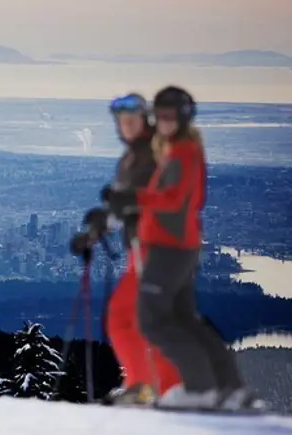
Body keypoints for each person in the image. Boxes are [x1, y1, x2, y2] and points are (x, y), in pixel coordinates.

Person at [101, 86, 259, 410]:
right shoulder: (173, 148)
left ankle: (196, 389)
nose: (165, 121)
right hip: (172, 244)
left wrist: (135, 199)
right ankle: (228, 388)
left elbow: (175, 199)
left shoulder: (181, 152)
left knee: (153, 321)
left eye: (170, 116)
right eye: (161, 116)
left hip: (166, 246)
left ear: (184, 117)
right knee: (185, 320)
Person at [70, 93, 181, 406]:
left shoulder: (153, 156)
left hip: (159, 248)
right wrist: (93, 232)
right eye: (122, 121)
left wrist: (123, 207)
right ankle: (148, 386)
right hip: (143, 251)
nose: (127, 126)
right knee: (130, 318)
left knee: (138, 318)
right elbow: (120, 206)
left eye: (132, 120)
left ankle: (158, 388)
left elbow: (160, 199)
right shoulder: (132, 159)